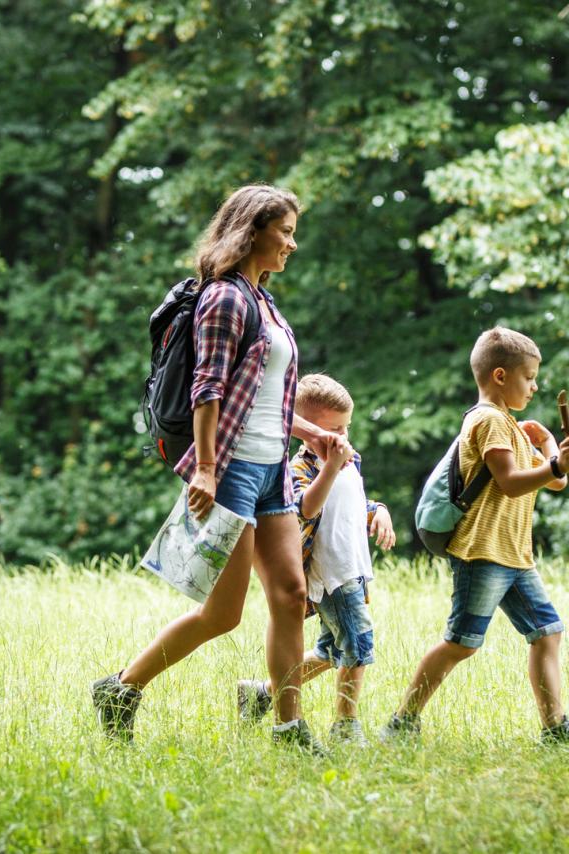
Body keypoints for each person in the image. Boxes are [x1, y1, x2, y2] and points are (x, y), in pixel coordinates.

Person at [92, 185, 347, 753]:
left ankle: (288, 728)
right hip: (229, 468)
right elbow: (208, 388)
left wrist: (312, 432)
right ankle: (120, 689)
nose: (292, 242)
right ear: (252, 229)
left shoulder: (265, 300)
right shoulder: (225, 299)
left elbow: (263, 395)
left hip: (272, 468)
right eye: (284, 230)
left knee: (288, 595)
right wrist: (205, 468)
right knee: (223, 613)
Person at [381, 326, 569, 743]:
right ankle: (402, 721)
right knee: (461, 643)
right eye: (529, 377)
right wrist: (554, 465)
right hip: (482, 553)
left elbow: (554, 483)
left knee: (548, 632)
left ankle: (556, 728)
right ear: (500, 376)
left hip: (515, 557)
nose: (536, 386)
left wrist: (552, 447)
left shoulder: (513, 426)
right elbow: (510, 482)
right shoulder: (489, 421)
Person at [237, 373, 396, 745]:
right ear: (307, 431)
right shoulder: (299, 468)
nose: (342, 437)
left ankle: (260, 692)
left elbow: (352, 504)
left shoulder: (350, 459)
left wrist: (379, 510)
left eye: (346, 427)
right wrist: (330, 466)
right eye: (333, 429)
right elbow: (306, 508)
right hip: (328, 573)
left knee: (330, 650)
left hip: (353, 567)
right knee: (358, 643)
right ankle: (346, 725)